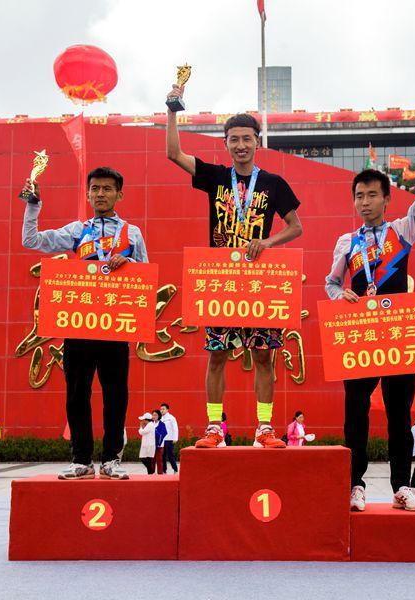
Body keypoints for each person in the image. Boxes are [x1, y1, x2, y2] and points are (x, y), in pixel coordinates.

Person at [166, 84, 303, 450]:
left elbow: (296, 227)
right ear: (225, 143)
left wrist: (268, 242)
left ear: (257, 142)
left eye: (247, 138)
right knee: (216, 355)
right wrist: (173, 110)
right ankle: (215, 428)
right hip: (222, 280)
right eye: (234, 139)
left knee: (263, 356)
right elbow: (173, 153)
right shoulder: (215, 177)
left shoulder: (273, 184)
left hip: (259, 281)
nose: (241, 145)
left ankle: (264, 429)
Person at [325, 128, 415, 513]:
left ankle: (401, 487)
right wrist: (341, 295)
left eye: (372, 195)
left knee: (398, 413)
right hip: (360, 334)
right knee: (355, 413)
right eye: (359, 195)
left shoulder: (402, 231)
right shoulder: (347, 242)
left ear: (387, 199)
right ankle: (354, 486)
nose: (365, 201)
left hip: (397, 333)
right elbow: (331, 283)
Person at [22, 166, 149, 481]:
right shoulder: (78, 230)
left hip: (115, 323)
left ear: (119, 194)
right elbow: (31, 240)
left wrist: (130, 262)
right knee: (77, 392)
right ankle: (81, 460)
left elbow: (146, 274)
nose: (101, 194)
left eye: (107, 188)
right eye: (95, 189)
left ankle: (111, 460)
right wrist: (33, 205)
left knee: (115, 394)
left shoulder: (132, 233)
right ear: (88, 194)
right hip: (80, 323)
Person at [159, 403, 179, 473]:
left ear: (167, 410)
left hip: (169, 439)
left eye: (163, 409)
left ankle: (175, 469)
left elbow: (175, 428)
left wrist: (175, 438)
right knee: (162, 456)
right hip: (162, 440)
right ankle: (164, 470)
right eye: (161, 409)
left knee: (170, 455)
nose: (162, 410)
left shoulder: (171, 418)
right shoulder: (160, 418)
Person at [152, 410, 167, 475]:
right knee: (152, 460)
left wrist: (159, 441)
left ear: (159, 416)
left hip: (159, 445)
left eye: (155, 415)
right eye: (153, 415)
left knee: (159, 460)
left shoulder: (162, 424)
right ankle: (151, 473)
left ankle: (160, 474)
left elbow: (164, 433)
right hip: (152, 444)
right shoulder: (151, 423)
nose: (154, 416)